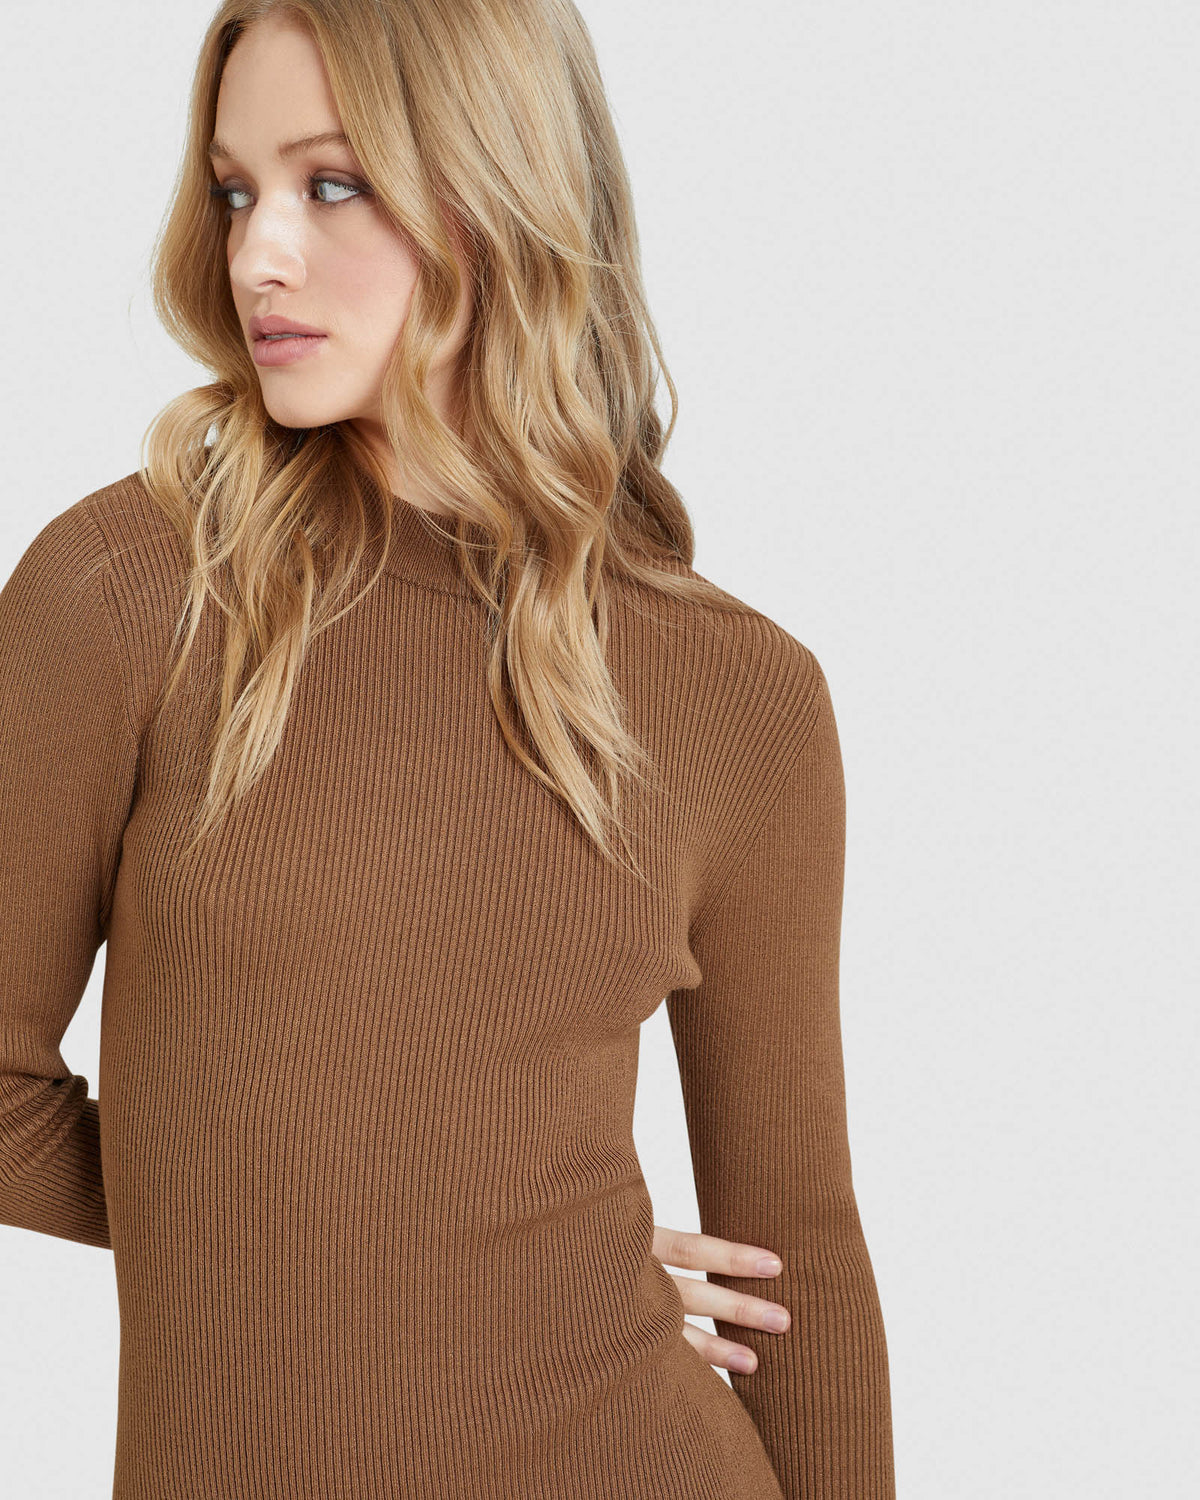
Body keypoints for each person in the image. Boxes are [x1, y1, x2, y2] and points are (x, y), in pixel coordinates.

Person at [0, 2, 895, 1497]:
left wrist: (493, 1251)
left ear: (499, 193)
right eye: (236, 191)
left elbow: (798, 1254)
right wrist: (361, 1233)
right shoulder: (132, 591)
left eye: (331, 184)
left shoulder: (742, 693)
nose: (259, 254)